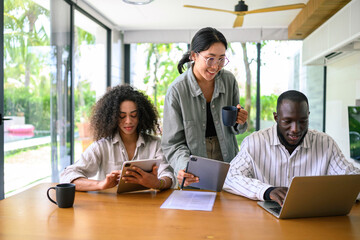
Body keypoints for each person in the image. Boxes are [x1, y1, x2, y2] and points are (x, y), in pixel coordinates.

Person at [223, 90, 360, 206]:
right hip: (265, 222)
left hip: (313, 221)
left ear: (308, 117)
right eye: (287, 121)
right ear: (276, 117)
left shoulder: (326, 143)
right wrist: (267, 191)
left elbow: (352, 181)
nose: (295, 129)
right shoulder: (255, 142)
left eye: (302, 121)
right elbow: (229, 177)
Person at [161, 27, 248, 187]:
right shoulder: (177, 90)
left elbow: (237, 128)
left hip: (227, 158)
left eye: (221, 59)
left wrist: (240, 121)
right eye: (210, 58)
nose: (215, 66)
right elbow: (172, 143)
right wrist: (183, 167)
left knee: (229, 207)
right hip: (193, 162)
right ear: (194, 55)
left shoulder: (229, 80)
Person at [60, 85, 175, 191]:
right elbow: (67, 175)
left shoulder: (155, 144)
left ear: (141, 116)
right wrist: (100, 184)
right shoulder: (102, 146)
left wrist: (158, 183)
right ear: (113, 117)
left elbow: (168, 176)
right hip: (110, 209)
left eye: (134, 115)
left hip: (147, 206)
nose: (128, 121)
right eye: (122, 116)